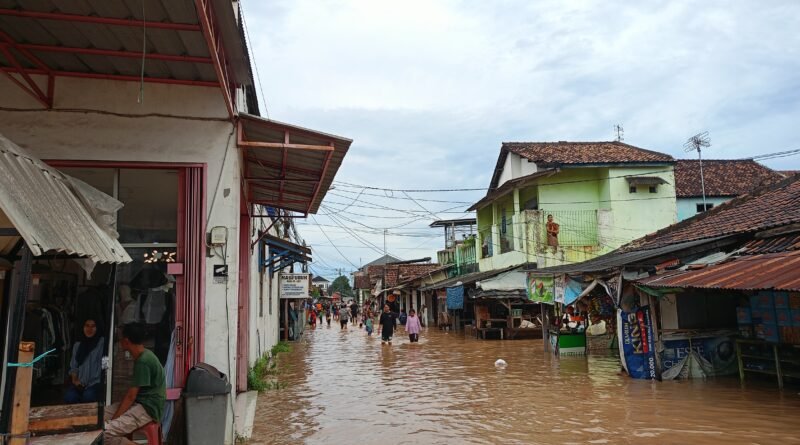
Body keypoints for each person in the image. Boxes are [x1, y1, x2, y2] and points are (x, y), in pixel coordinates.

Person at [104, 323, 166, 445]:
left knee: (104, 434)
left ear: (126, 341)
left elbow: (131, 396)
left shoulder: (144, 361)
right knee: (98, 417)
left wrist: (115, 419)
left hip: (148, 408)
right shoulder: (143, 355)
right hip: (140, 402)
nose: (119, 341)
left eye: (120, 338)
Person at [65, 319, 105, 404]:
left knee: (88, 396)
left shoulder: (102, 344)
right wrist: (75, 380)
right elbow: (74, 366)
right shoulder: (78, 345)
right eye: (87, 326)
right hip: (80, 384)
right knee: (70, 396)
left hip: (96, 383)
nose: (89, 329)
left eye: (93, 326)